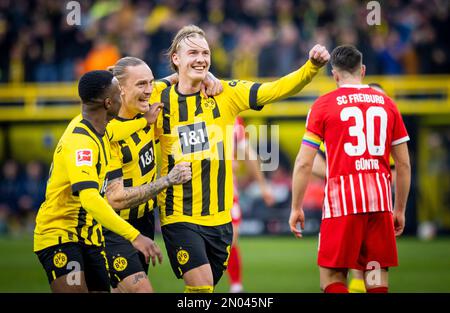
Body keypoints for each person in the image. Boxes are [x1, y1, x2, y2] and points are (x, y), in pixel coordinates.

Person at [151, 24, 329, 293]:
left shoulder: (225, 94)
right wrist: (170, 80)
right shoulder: (156, 97)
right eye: (193, 53)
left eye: (205, 53)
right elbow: (123, 90)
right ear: (176, 58)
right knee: (201, 288)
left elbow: (276, 90)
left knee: (205, 288)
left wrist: (311, 68)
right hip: (179, 215)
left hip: (220, 218)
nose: (200, 59)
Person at [289, 45, 411, 293]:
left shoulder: (322, 106)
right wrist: (399, 209)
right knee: (376, 277)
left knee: (332, 277)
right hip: (380, 203)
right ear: (362, 70)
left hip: (342, 203)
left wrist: (296, 207)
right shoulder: (388, 104)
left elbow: (303, 162)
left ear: (334, 74)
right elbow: (403, 163)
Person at [33, 70, 162, 293]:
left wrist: (144, 121)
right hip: (61, 235)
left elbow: (118, 130)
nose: (123, 98)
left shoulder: (98, 127)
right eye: (119, 94)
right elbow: (90, 199)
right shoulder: (81, 143)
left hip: (91, 238)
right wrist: (135, 236)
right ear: (108, 102)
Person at [104, 56, 222, 293]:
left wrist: (208, 76)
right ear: (120, 89)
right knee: (142, 291)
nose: (150, 91)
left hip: (144, 220)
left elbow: (179, 76)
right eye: (141, 85)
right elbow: (114, 198)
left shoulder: (147, 105)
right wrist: (167, 180)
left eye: (150, 83)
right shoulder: (107, 133)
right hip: (113, 224)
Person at [227, 116, 275, 293]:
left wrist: (263, 186)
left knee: (231, 237)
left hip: (227, 189)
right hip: (199, 190)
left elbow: (248, 153)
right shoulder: (191, 107)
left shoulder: (234, 118)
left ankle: (236, 286)